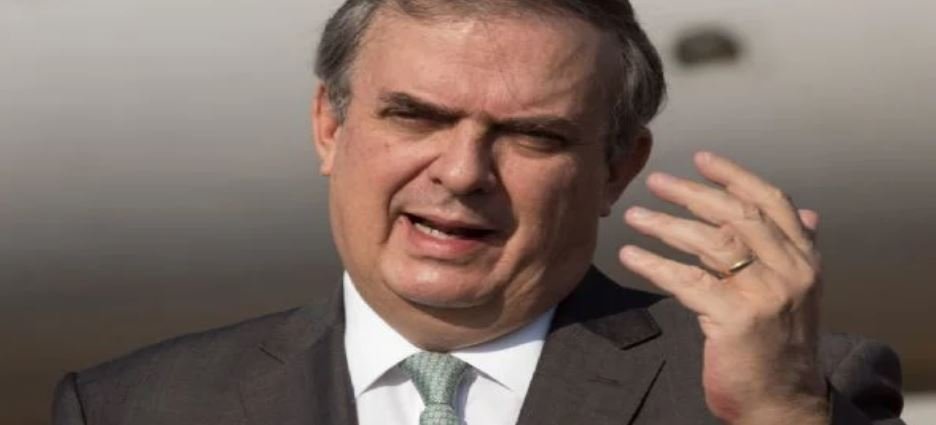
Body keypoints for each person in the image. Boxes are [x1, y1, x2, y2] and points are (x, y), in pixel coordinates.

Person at [52, 0, 905, 424]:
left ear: (618, 168)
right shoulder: (136, 405)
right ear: (329, 126)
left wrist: (779, 413)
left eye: (532, 135)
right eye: (416, 116)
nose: (462, 173)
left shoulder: (795, 391)